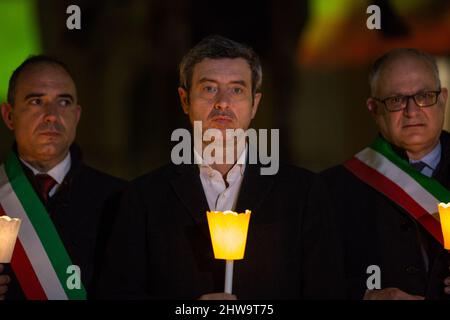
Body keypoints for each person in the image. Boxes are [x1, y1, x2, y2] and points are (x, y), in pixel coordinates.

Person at [97, 35, 345, 299]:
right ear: (184, 100)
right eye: (209, 89)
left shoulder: (302, 193)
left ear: (254, 104)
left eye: (237, 90)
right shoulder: (143, 198)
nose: (223, 102)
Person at [322, 48, 450, 300]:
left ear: (443, 98)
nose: (412, 111)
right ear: (373, 109)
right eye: (396, 100)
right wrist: (365, 295)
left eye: (424, 96)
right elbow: (313, 279)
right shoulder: (331, 188)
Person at [0, 55, 125, 300]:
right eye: (36, 101)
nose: (52, 116)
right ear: (9, 115)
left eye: (64, 102)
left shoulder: (121, 198)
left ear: (77, 115)